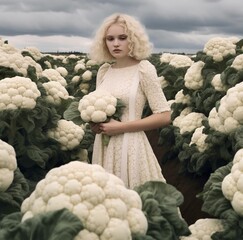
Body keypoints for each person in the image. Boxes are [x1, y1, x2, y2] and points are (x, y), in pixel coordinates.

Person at [88, 13, 171, 189]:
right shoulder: (104, 71)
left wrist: (120, 127)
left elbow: (164, 115)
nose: (116, 43)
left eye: (122, 38)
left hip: (131, 146)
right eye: (110, 39)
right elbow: (99, 108)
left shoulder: (144, 69)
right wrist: (96, 126)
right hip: (103, 147)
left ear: (133, 39)